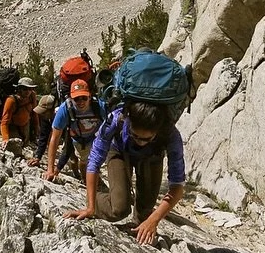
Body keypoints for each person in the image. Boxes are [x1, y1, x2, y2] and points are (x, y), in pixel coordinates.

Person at [63, 100, 185, 245]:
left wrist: (153, 220)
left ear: (157, 131)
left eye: (147, 138)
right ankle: (98, 199)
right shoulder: (116, 119)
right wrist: (90, 207)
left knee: (144, 215)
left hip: (152, 157)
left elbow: (177, 187)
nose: (140, 142)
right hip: (119, 150)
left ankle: (139, 220)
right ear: (128, 121)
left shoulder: (171, 134)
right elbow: (94, 161)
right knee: (119, 209)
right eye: (135, 136)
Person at [42, 80, 106, 182]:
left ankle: (93, 181)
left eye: (84, 98)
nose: (81, 102)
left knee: (94, 162)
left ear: (89, 96)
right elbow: (55, 138)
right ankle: (85, 179)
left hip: (97, 137)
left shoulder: (99, 106)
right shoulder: (65, 109)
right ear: (71, 98)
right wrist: (50, 170)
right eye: (76, 99)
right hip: (79, 140)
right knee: (84, 161)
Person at [0, 77, 38, 144]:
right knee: (15, 146)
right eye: (25, 89)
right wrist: (5, 138)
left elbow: (35, 112)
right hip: (13, 127)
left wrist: (37, 127)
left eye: (30, 89)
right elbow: (4, 122)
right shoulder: (11, 101)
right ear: (19, 89)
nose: (28, 91)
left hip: (25, 125)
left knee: (24, 144)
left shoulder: (32, 96)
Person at [27, 95, 56, 167]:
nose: (41, 114)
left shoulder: (63, 117)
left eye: (44, 112)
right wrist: (37, 157)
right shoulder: (45, 117)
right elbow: (43, 137)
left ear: (52, 109)